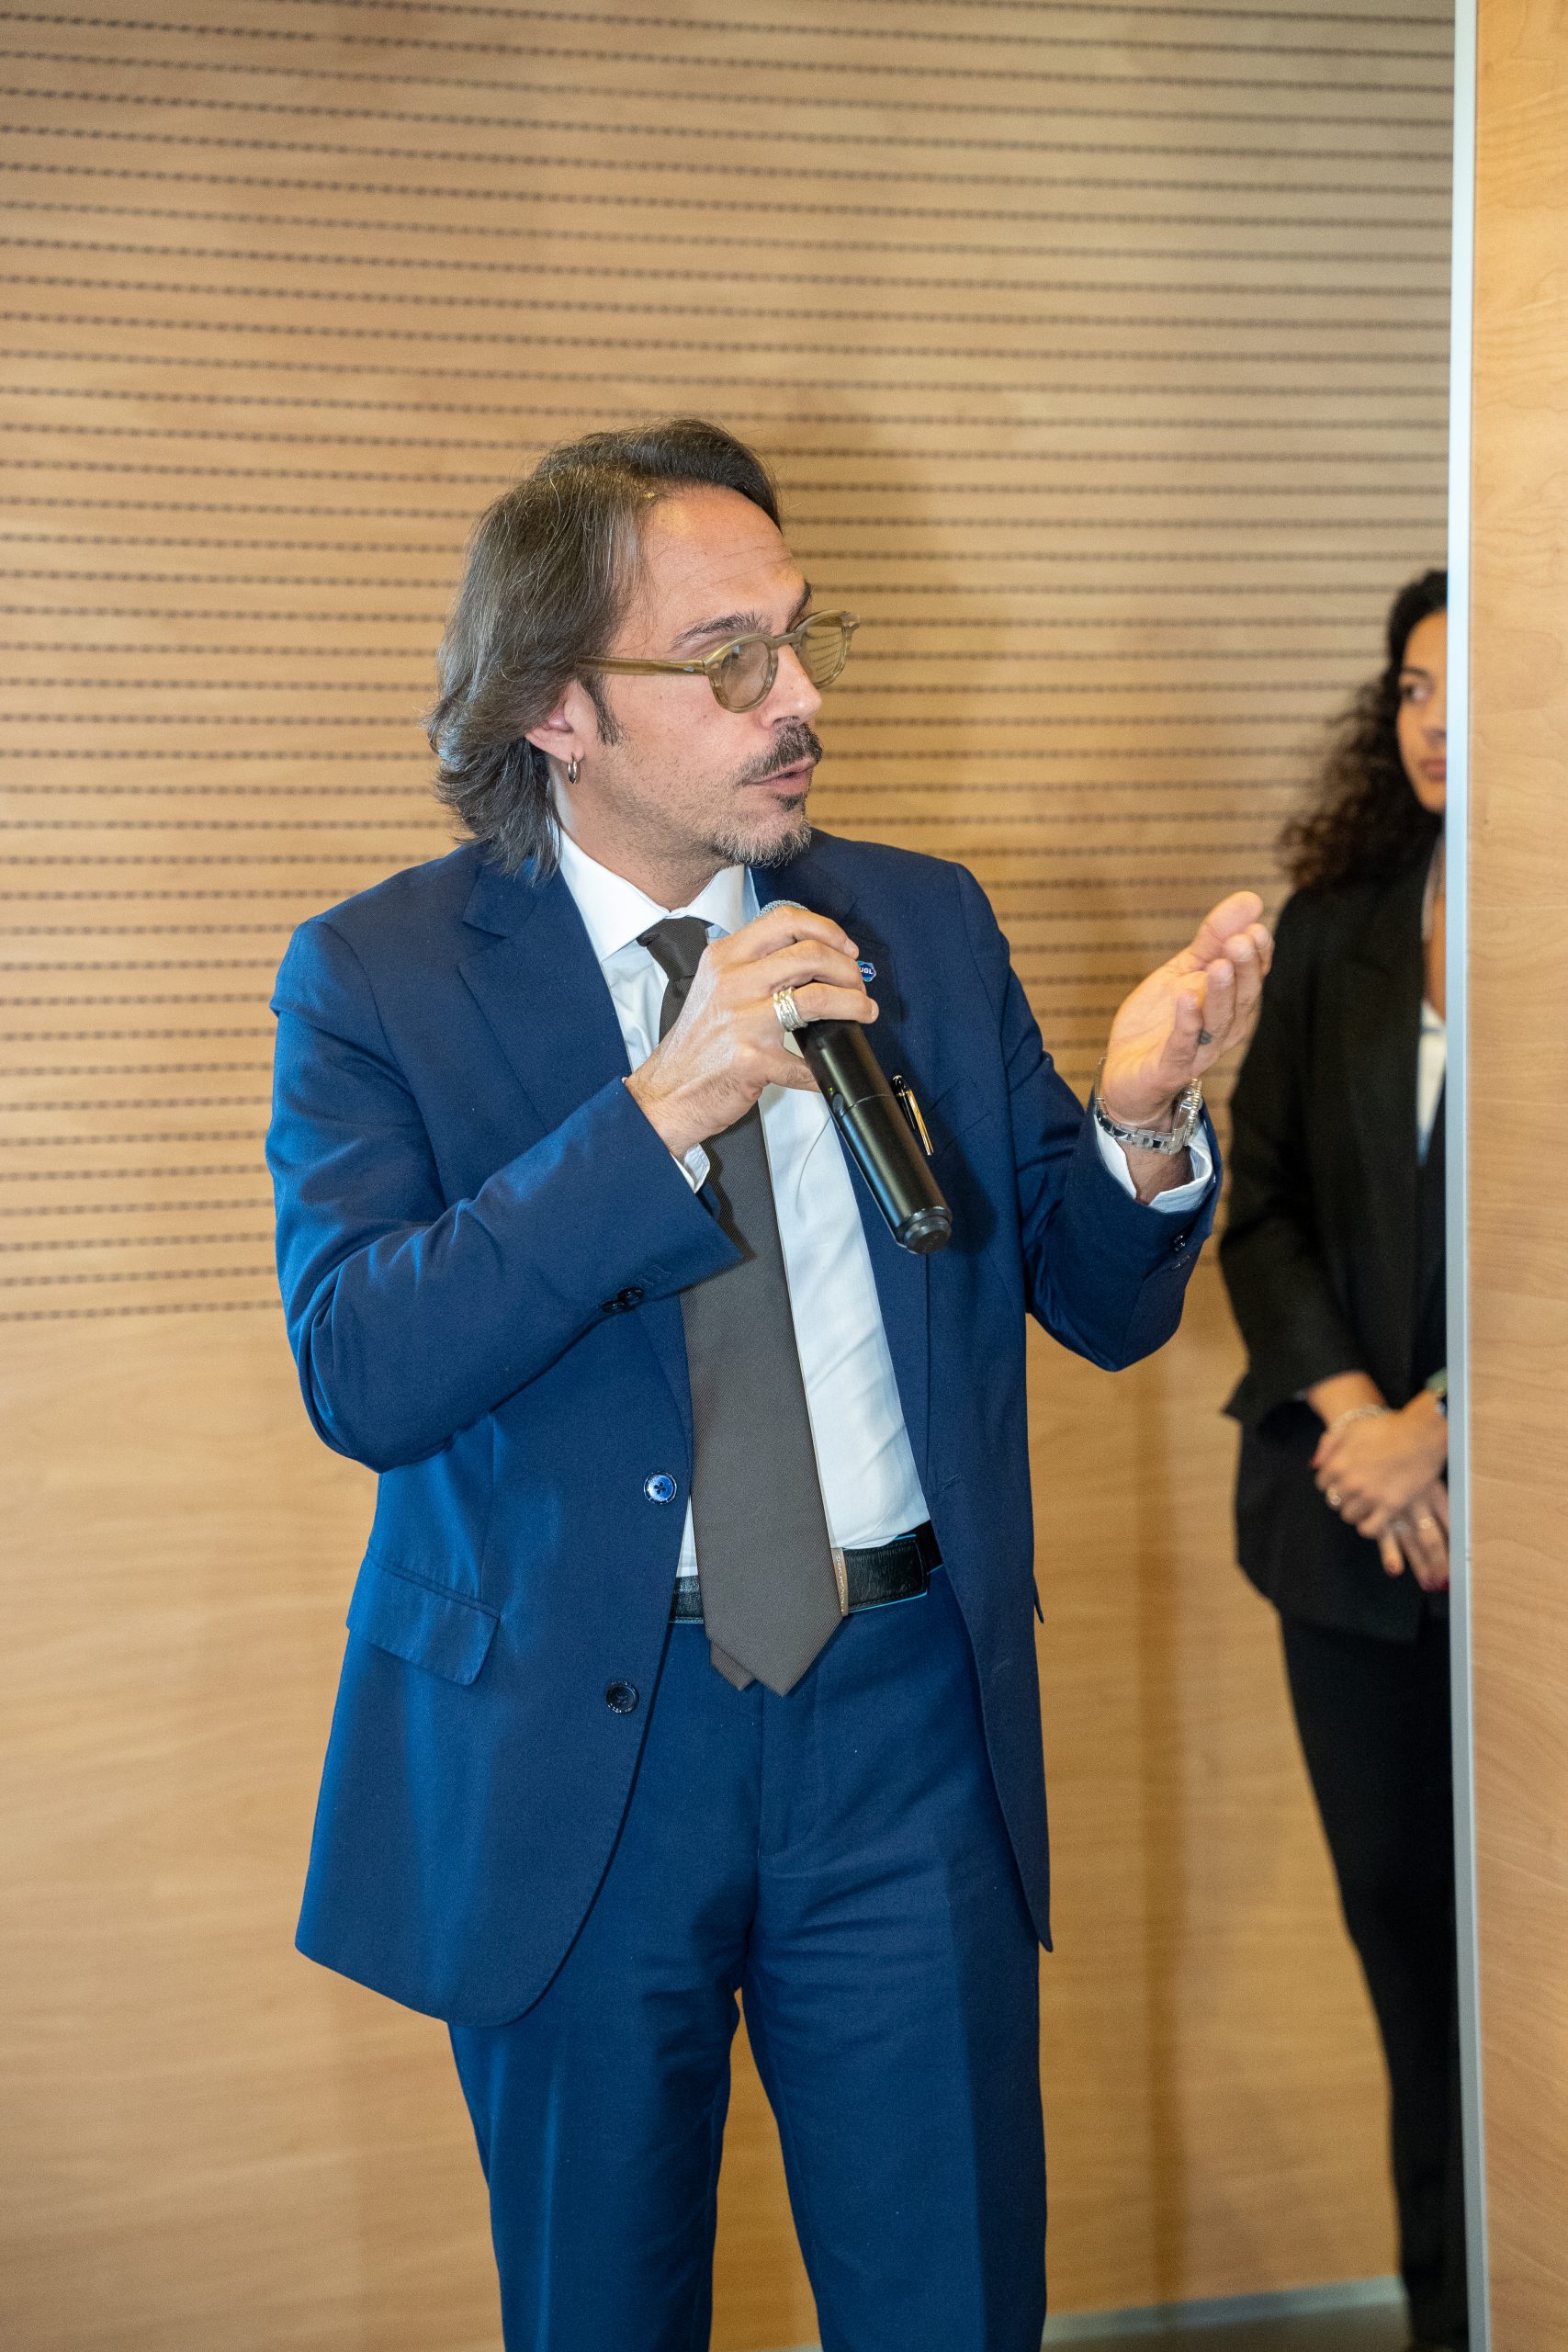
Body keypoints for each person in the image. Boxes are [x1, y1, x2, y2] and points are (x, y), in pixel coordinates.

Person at [267, 417, 1271, 2352]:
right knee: (600, 2309)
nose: (797, 697)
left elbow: (1092, 1298)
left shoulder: (921, 922)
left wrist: (1141, 1121)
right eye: (727, 659)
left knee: (948, 2299)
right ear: (555, 707)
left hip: (902, 1734)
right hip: (581, 1751)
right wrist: (656, 1114)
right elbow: (363, 1368)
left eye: (801, 639)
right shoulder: (378, 975)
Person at [1220, 571, 1464, 2352]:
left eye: (1472, 686)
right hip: (1351, 1533)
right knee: (1410, 1960)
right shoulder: (1338, 926)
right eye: (1410, 687)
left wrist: (1450, 1422)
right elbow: (1265, 1206)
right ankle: (1451, 2311)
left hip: (1518, 1534)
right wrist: (1365, 1420)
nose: (1434, 723)